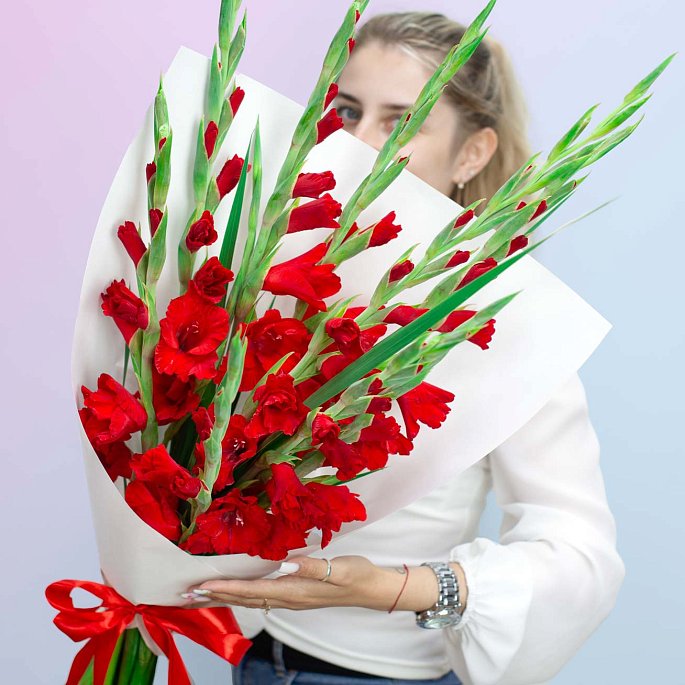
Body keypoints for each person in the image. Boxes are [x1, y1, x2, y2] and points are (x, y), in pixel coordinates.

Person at [186, 12, 625, 685]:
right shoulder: (271, 268)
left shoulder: (502, 323)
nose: (360, 142)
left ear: (471, 154)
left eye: (401, 122)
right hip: (246, 656)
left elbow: (580, 558)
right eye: (347, 112)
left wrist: (395, 588)